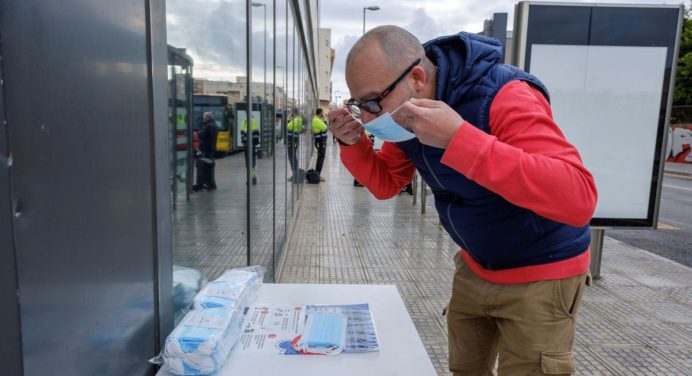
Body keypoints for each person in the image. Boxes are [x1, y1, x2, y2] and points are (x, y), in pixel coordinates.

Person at [329, 26, 597, 375]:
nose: (367, 118)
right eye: (359, 105)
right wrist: (355, 145)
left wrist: (459, 139)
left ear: (417, 77)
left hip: (542, 271)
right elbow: (387, 184)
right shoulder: (405, 115)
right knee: (465, 369)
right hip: (475, 265)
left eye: (372, 102)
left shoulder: (503, 94)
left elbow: (578, 196)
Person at [193, 112, 219, 192]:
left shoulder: (208, 126)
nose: (203, 119)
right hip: (210, 149)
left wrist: (196, 132)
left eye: (204, 118)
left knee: (203, 166)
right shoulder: (214, 125)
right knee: (209, 167)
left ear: (207, 118)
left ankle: (203, 184)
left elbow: (200, 134)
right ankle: (210, 184)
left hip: (206, 149)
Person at [241, 115, 260, 185]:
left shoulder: (245, 121)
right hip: (252, 146)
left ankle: (250, 179)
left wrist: (244, 142)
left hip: (247, 146)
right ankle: (253, 177)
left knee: (248, 163)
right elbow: (256, 134)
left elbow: (242, 134)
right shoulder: (253, 121)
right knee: (252, 162)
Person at [286, 109, 304, 180]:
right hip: (293, 140)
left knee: (292, 157)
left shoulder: (297, 119)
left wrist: (289, 118)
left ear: (294, 113)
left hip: (292, 141)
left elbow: (288, 126)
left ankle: (295, 174)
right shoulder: (297, 119)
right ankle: (294, 173)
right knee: (293, 157)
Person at [312, 108, 329, 181]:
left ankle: (317, 174)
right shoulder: (316, 120)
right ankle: (317, 175)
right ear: (320, 114)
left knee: (320, 158)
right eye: (322, 113)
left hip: (320, 141)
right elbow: (325, 128)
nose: (323, 115)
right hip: (321, 141)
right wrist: (325, 119)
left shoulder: (317, 119)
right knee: (321, 158)